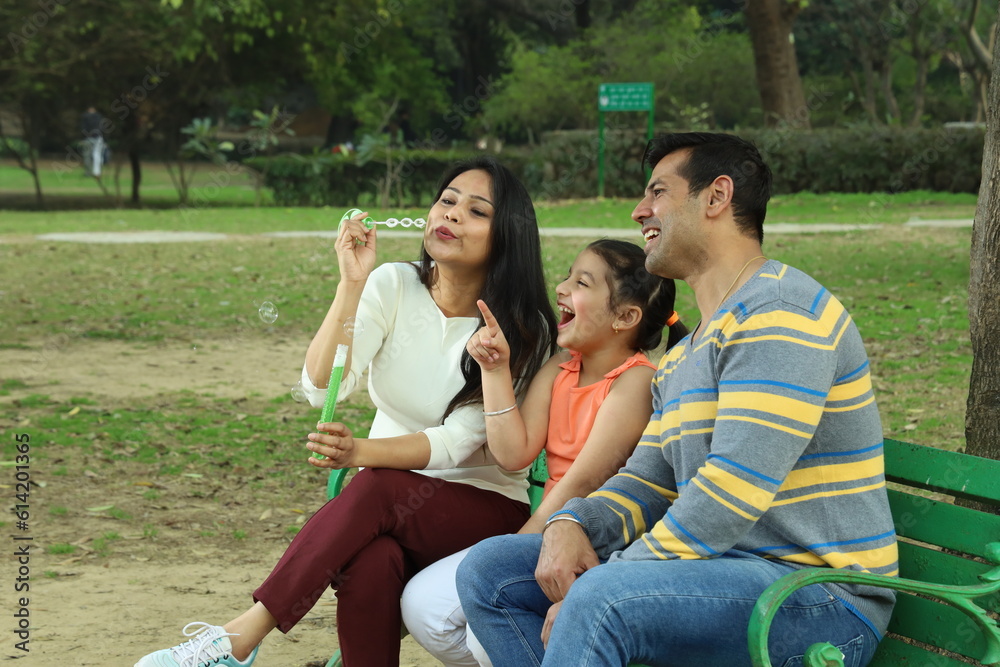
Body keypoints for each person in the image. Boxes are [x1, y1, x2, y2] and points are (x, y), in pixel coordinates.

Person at [456, 132, 899, 667]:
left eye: (658, 193)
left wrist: (614, 576)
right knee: (491, 573)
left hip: (816, 595)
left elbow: (729, 491)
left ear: (716, 197)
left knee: (601, 600)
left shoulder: (780, 316)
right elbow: (648, 480)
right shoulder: (688, 350)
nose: (640, 210)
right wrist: (571, 524)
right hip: (721, 573)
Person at [134, 156, 557, 667]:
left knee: (376, 483)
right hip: (382, 508)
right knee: (372, 557)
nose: (451, 215)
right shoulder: (393, 285)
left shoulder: (523, 327)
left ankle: (242, 635)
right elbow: (318, 386)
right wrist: (351, 285)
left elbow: (456, 443)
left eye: (475, 211)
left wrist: (360, 450)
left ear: (506, 234)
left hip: (480, 508)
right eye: (446, 200)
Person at [400, 239, 689, 666]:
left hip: (595, 541)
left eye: (581, 282)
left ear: (626, 317)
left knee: (485, 627)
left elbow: (584, 480)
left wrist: (514, 548)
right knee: (422, 605)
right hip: (546, 530)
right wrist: (495, 370)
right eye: (568, 275)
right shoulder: (560, 366)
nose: (561, 287)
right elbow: (512, 453)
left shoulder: (635, 382)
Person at [80, 106, 106, 177]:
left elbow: (83, 128)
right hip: (98, 138)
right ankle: (97, 172)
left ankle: (88, 172)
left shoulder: (85, 117)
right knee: (97, 155)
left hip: (88, 138)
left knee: (87, 156)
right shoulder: (99, 117)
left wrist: (83, 138)